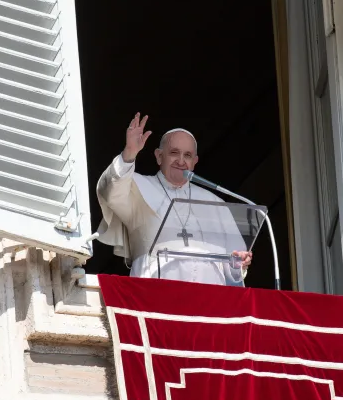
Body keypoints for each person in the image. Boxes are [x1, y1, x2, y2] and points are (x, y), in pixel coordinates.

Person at [95, 113, 253, 286]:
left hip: (210, 302)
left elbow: (232, 267)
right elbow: (109, 191)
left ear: (195, 162)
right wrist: (129, 153)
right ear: (159, 156)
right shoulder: (137, 187)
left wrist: (238, 263)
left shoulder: (213, 202)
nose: (180, 161)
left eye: (187, 155)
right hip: (156, 295)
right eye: (174, 153)